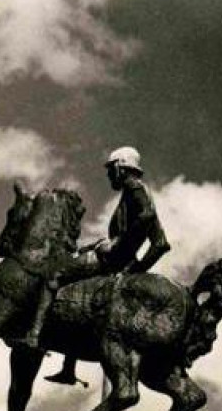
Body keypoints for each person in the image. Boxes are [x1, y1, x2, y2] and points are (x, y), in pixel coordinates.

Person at [45, 145, 171, 385]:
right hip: (121, 261)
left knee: (56, 275)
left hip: (112, 260)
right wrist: (135, 268)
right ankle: (68, 369)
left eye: (110, 170)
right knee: (79, 297)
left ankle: (33, 336)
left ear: (120, 167)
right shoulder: (140, 194)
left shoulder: (134, 188)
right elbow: (161, 244)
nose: (108, 176)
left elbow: (143, 219)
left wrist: (119, 247)